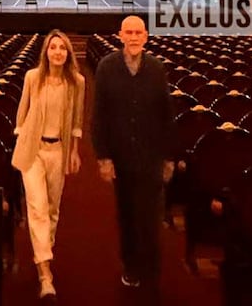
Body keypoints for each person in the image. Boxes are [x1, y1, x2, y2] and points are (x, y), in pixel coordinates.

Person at [92, 15, 174, 289]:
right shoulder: (106, 67)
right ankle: (131, 265)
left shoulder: (157, 68)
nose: (135, 36)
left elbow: (166, 115)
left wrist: (169, 157)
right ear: (120, 35)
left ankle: (151, 267)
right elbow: (100, 115)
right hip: (122, 157)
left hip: (151, 157)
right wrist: (103, 157)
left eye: (139, 32)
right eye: (129, 32)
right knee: (127, 215)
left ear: (146, 36)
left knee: (150, 217)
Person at [12, 30, 85, 298]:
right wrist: (20, 137)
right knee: (38, 208)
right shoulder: (33, 77)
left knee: (52, 208)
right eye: (53, 47)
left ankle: (43, 249)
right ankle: (45, 273)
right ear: (46, 51)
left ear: (67, 53)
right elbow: (22, 111)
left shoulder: (77, 82)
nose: (57, 52)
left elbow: (77, 121)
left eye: (62, 48)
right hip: (33, 150)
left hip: (59, 151)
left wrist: (75, 151)